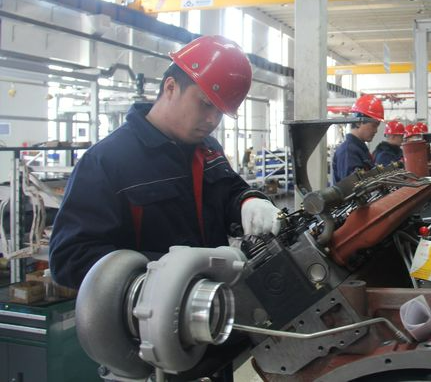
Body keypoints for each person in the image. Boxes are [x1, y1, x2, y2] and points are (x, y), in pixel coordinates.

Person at [49, 35, 280, 292]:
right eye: (206, 104)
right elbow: (70, 258)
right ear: (171, 88)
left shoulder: (208, 148)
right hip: (149, 312)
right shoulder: (107, 160)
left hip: (213, 299)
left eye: (221, 112)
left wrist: (249, 202)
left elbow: (229, 193)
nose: (212, 120)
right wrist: (166, 271)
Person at [332, 95, 383, 183]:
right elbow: (352, 188)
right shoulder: (348, 151)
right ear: (358, 122)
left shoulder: (360, 149)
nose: (376, 131)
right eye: (374, 126)